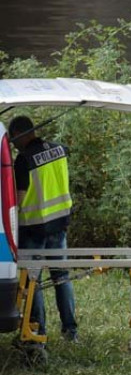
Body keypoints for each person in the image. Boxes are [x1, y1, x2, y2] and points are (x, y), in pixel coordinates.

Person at [9, 116, 77, 342]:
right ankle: (70, 330)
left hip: (34, 227)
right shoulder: (60, 149)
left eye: (13, 139)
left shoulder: (23, 159)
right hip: (59, 223)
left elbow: (17, 200)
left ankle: (38, 330)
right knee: (62, 278)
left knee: (32, 280)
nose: (13, 144)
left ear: (21, 133)